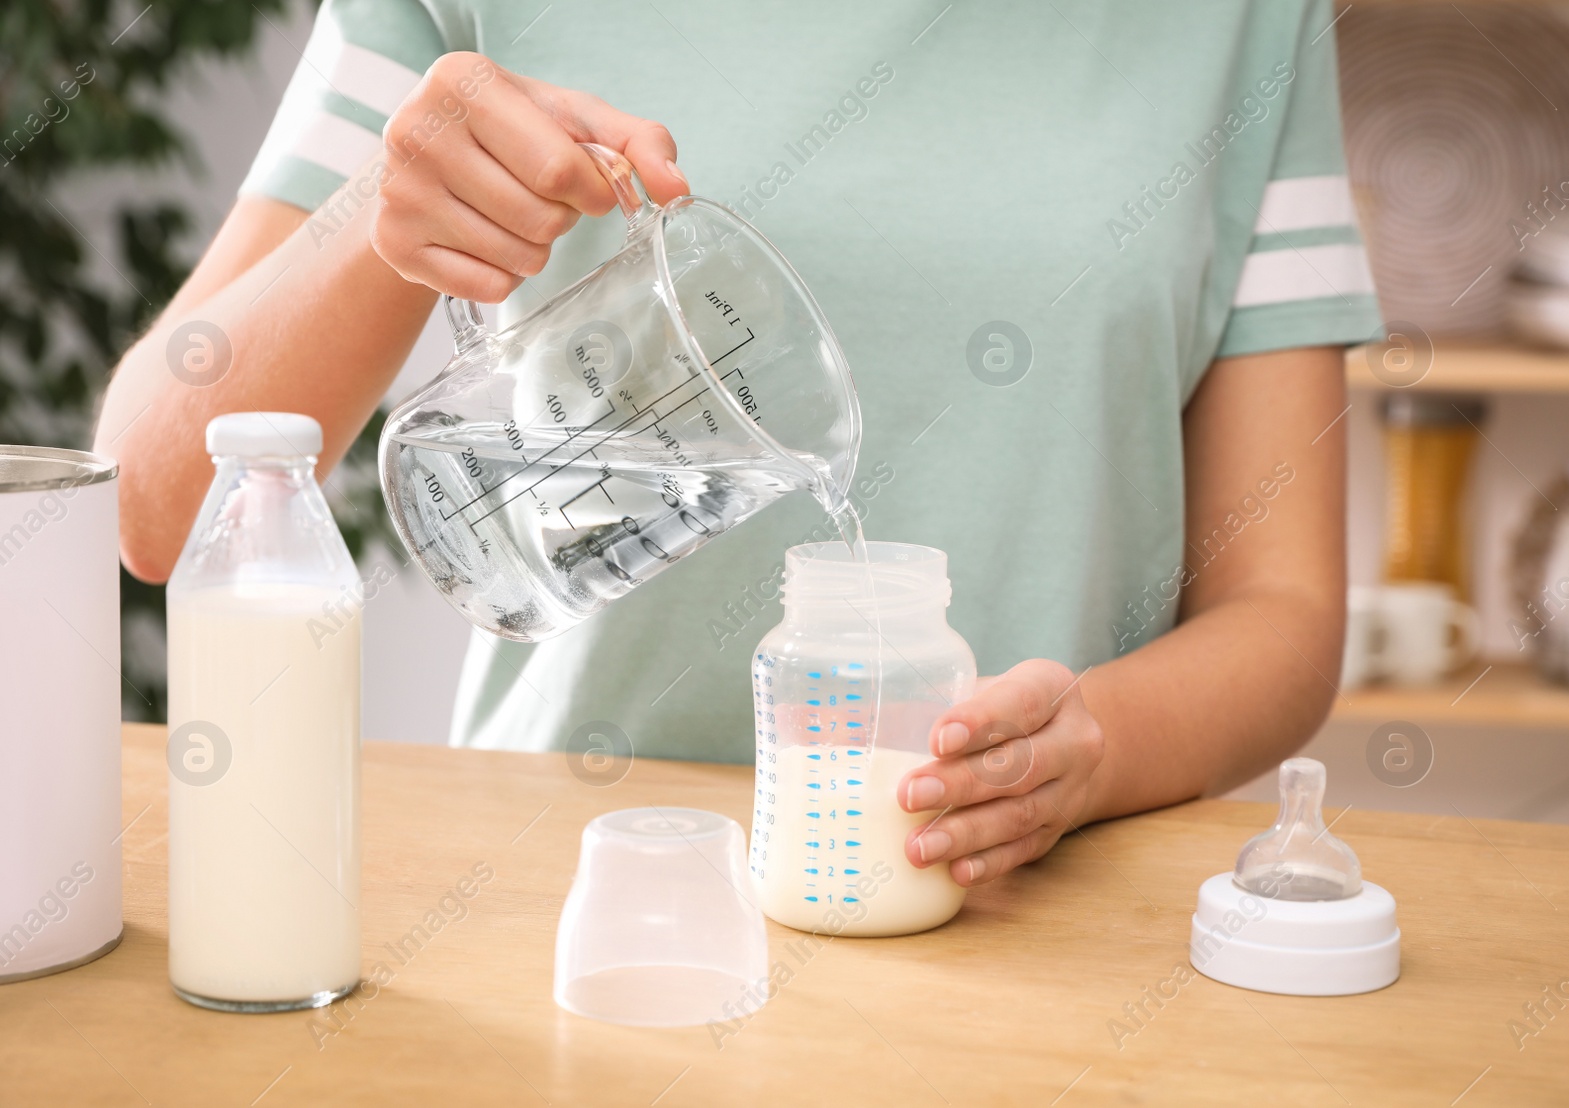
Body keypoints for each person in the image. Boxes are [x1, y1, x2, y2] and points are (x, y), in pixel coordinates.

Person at [95, 1, 1377, 890]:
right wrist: (388, 201)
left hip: (1034, 919)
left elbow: (1284, 606)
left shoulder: (1241, 24)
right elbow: (153, 500)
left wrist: (1084, 752)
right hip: (569, 896)